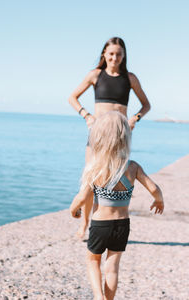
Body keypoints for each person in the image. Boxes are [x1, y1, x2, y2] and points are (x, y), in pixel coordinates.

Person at [70, 111, 164, 300]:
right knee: (112, 267)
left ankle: (98, 296)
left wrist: (74, 210)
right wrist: (159, 200)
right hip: (122, 225)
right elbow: (154, 188)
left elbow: (82, 197)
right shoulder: (133, 167)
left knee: (93, 260)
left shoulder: (96, 167)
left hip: (100, 225)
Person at [68, 37, 151, 238]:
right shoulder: (95, 75)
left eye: (119, 54)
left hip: (120, 137)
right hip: (97, 134)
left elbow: (146, 105)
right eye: (111, 53)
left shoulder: (130, 78)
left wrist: (135, 118)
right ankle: (85, 224)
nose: (115, 57)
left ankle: (109, 224)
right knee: (90, 179)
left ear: (124, 56)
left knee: (114, 181)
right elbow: (72, 97)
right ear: (104, 54)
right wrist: (86, 115)